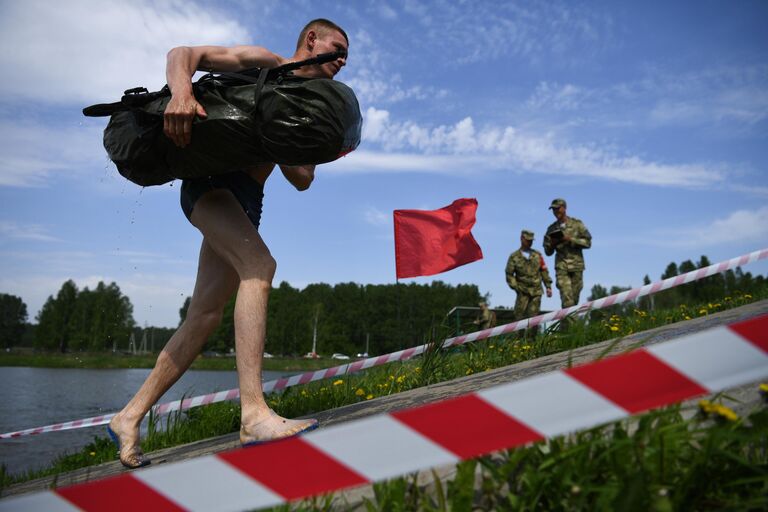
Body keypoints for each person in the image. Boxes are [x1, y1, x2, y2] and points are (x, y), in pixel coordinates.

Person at [106, 19, 349, 469]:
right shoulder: (265, 63)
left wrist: (289, 135)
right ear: (311, 40)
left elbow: (303, 179)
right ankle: (254, 414)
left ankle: (129, 415)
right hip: (211, 188)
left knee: (203, 316)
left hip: (246, 203)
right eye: (335, 50)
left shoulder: (310, 107)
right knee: (259, 266)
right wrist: (181, 94)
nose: (339, 63)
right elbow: (183, 54)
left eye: (345, 59)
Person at [543, 199, 592, 309]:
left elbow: (588, 243)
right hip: (561, 267)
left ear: (564, 208)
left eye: (557, 208)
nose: (556, 211)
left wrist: (570, 239)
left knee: (573, 301)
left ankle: (568, 326)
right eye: (553, 209)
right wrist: (552, 244)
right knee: (567, 300)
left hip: (577, 266)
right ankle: (571, 326)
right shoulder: (551, 229)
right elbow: (547, 252)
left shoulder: (577, 224)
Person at [505, 229, 552, 337]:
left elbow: (544, 271)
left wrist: (548, 286)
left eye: (531, 240)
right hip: (522, 291)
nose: (530, 242)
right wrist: (516, 287)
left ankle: (532, 343)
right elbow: (509, 274)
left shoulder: (537, 255)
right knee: (519, 318)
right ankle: (518, 342)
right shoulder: (514, 257)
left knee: (534, 318)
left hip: (536, 291)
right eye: (528, 240)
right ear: (522, 239)